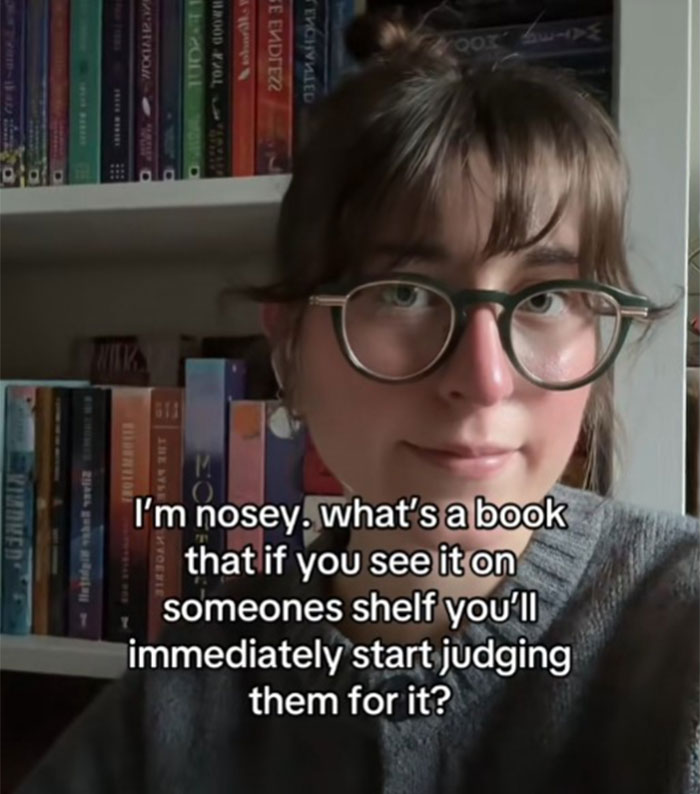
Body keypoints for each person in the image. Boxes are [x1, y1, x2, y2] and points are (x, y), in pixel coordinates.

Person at [18, 13, 699, 794]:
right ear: (290, 349)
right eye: (406, 293)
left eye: (544, 299)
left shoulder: (680, 631)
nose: (485, 378)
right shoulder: (205, 668)